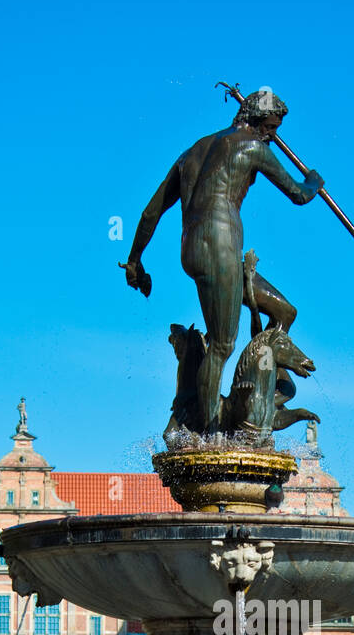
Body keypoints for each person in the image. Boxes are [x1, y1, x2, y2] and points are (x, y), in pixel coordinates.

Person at [122, 87, 323, 431]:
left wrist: (135, 261)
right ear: (259, 123)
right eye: (271, 129)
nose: (272, 138)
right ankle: (211, 430)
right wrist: (314, 180)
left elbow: (151, 211)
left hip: (192, 248)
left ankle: (258, 392)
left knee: (285, 312)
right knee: (221, 345)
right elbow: (298, 194)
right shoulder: (253, 147)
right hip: (221, 247)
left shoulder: (192, 153)